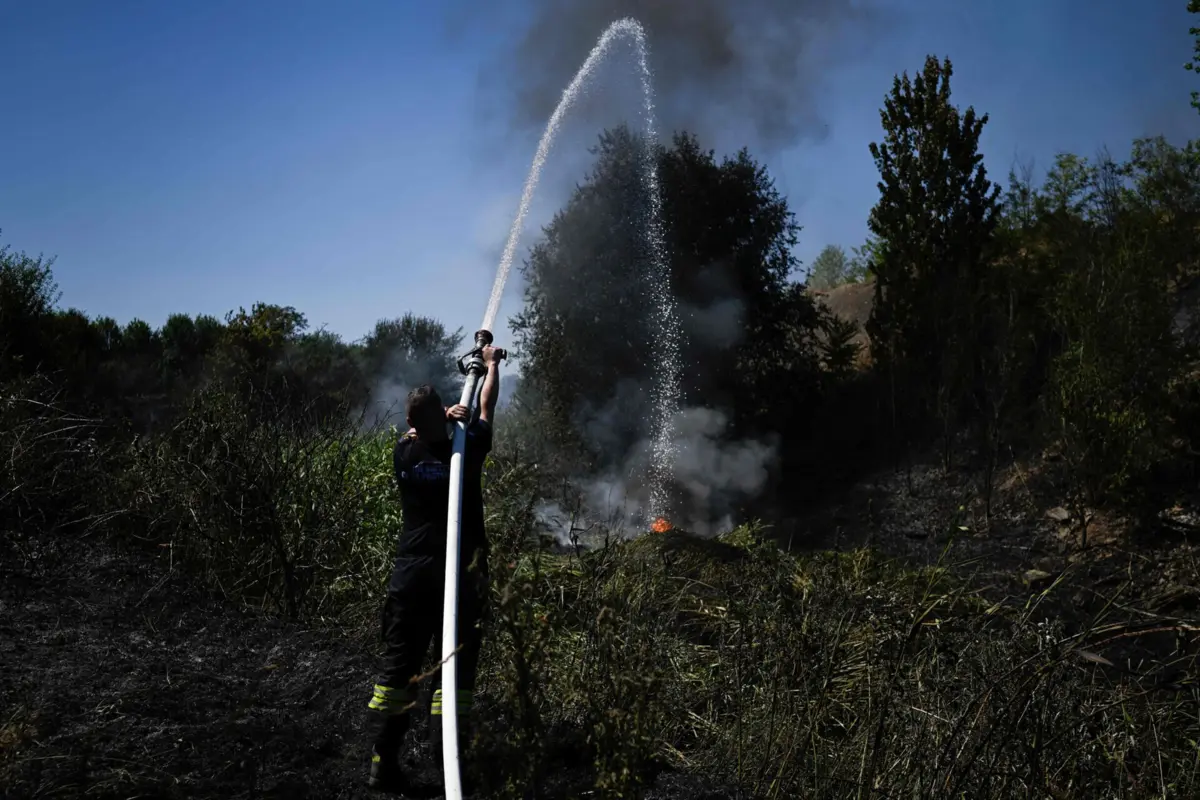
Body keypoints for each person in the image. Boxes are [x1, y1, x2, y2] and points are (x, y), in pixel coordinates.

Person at [366, 343, 502, 794]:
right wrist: (492, 367)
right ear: (441, 416)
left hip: (411, 578)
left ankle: (382, 763)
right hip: (458, 577)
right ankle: (449, 767)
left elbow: (421, 428)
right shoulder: (466, 451)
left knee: (398, 672)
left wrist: (438, 417)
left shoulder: (403, 456)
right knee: (455, 675)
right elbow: (486, 407)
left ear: (410, 426)